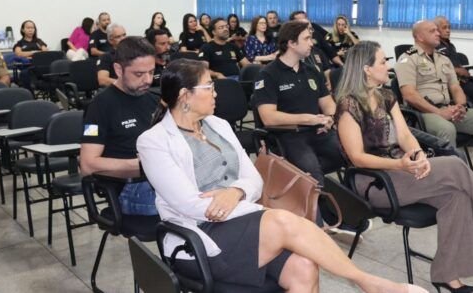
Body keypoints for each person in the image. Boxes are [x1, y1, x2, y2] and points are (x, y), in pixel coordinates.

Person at [137, 59, 427, 293]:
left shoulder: (218, 125)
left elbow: (254, 180)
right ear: (185, 96)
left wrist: (234, 192)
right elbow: (188, 204)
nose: (215, 92)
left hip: (241, 217)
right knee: (281, 220)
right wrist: (237, 198)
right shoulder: (153, 141)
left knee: (304, 266)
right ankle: (370, 284)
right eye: (208, 86)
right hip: (199, 236)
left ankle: (369, 284)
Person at [336, 41, 473, 292]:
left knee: (456, 196)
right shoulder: (348, 105)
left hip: (401, 169)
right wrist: (401, 165)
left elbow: (405, 136)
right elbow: (357, 157)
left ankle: (447, 275)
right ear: (366, 69)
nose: (387, 66)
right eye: (383, 62)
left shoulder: (386, 96)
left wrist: (417, 155)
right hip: (373, 180)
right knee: (455, 165)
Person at [395, 20, 473, 202]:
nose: (438, 33)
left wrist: (461, 106)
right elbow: (409, 95)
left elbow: (456, 88)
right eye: (432, 31)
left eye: (437, 30)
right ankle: (451, 186)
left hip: (450, 109)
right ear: (419, 37)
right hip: (425, 113)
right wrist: (439, 113)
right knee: (447, 129)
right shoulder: (408, 59)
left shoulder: (443, 59)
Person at [253, 21, 344, 193]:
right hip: (288, 135)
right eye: (307, 38)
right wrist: (306, 119)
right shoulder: (268, 74)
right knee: (313, 174)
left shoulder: (312, 71)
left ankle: (346, 208)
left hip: (318, 131)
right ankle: (316, 215)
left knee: (351, 154)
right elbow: (268, 117)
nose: (312, 43)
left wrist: (330, 119)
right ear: (291, 43)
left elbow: (328, 103)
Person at [80, 36, 159, 215]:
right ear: (118, 69)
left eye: (151, 72)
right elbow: (87, 166)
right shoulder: (100, 106)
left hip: (159, 181)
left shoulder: (155, 100)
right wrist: (141, 165)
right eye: (139, 74)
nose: (148, 80)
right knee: (193, 207)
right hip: (130, 189)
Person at [434, 16, 473, 107]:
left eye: (449, 27)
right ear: (436, 30)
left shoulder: (450, 46)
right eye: (444, 28)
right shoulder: (436, 46)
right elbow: (440, 67)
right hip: (452, 82)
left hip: (462, 80)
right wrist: (458, 70)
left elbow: (454, 63)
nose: (448, 30)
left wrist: (462, 69)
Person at [96, 23, 127, 88]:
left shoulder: (134, 54)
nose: (123, 39)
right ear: (110, 40)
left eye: (124, 35)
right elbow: (103, 80)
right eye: (118, 37)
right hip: (117, 90)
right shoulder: (106, 57)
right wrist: (126, 85)